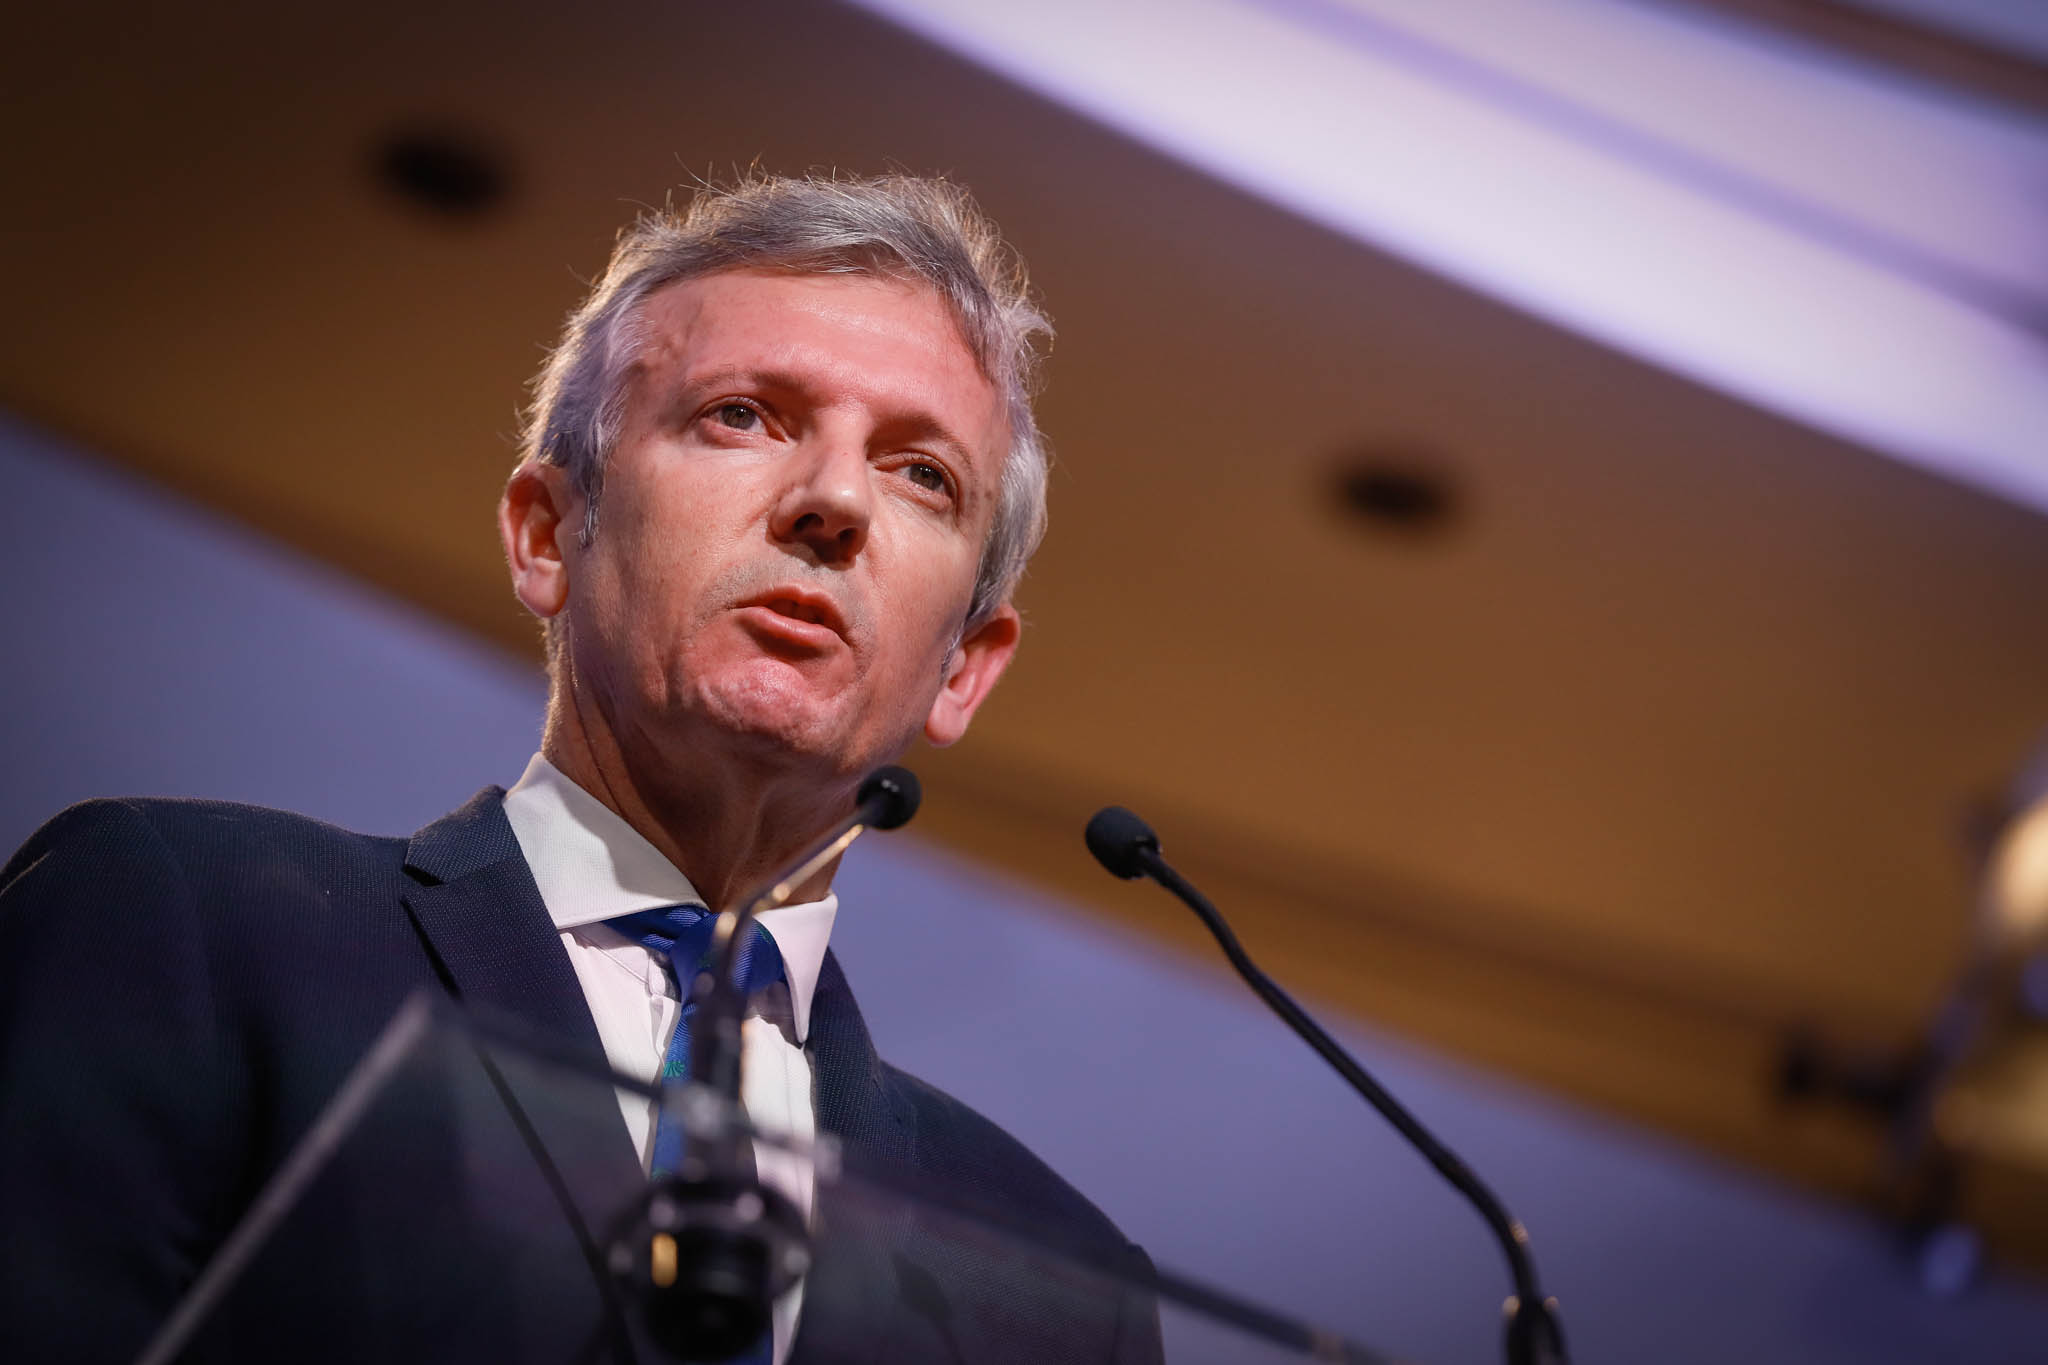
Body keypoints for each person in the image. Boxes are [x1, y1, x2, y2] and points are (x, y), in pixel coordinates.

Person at [0, 174, 1161, 1364]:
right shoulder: (188, 928)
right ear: (550, 534)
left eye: (922, 473)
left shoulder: (1058, 1292)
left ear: (964, 668)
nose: (833, 502)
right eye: (743, 416)